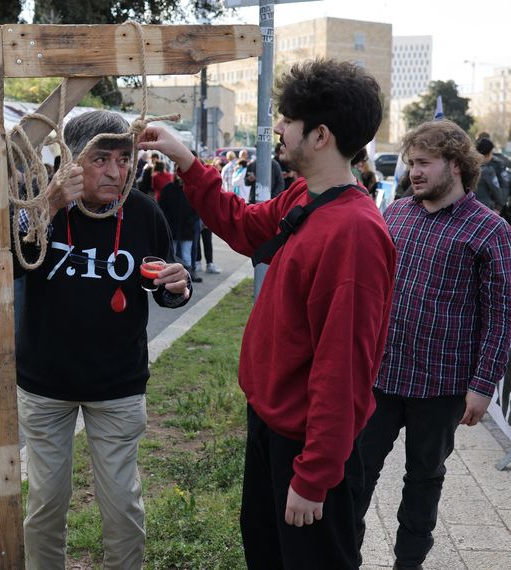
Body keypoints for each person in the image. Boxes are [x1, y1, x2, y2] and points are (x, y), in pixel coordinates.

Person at [139, 59, 396, 569]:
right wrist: (188, 162)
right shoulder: (307, 195)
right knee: (267, 554)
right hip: (272, 427)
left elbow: (343, 368)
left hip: (305, 448)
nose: (276, 128)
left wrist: (314, 476)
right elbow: (242, 225)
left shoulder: (355, 234)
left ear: (320, 135)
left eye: (287, 119)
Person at [15, 110, 192, 569]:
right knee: (45, 506)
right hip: (45, 385)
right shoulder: (39, 205)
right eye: (100, 159)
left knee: (122, 510)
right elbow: (5, 265)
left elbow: (161, 285)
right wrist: (50, 206)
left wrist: (177, 287)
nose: (116, 172)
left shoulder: (143, 213)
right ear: (71, 160)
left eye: (123, 158)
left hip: (116, 385)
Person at [354, 120, 511, 570]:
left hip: (442, 385)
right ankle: (343, 557)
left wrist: (483, 385)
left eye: (424, 163)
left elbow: (502, 315)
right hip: (382, 376)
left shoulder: (490, 231)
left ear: (456, 164)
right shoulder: (397, 213)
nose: (414, 173)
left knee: (423, 481)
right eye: (411, 164)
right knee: (354, 475)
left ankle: (409, 563)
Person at [158, 173, 200, 277]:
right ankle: (171, 277)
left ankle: (188, 276)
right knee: (172, 255)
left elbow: (198, 208)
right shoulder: (168, 189)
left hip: (187, 228)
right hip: (172, 228)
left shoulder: (192, 188)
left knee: (186, 255)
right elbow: (162, 206)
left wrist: (191, 220)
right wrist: (166, 221)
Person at [474, 138, 506, 212]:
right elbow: (497, 193)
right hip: (484, 209)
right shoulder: (488, 171)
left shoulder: (469, 167)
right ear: (488, 154)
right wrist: (500, 205)